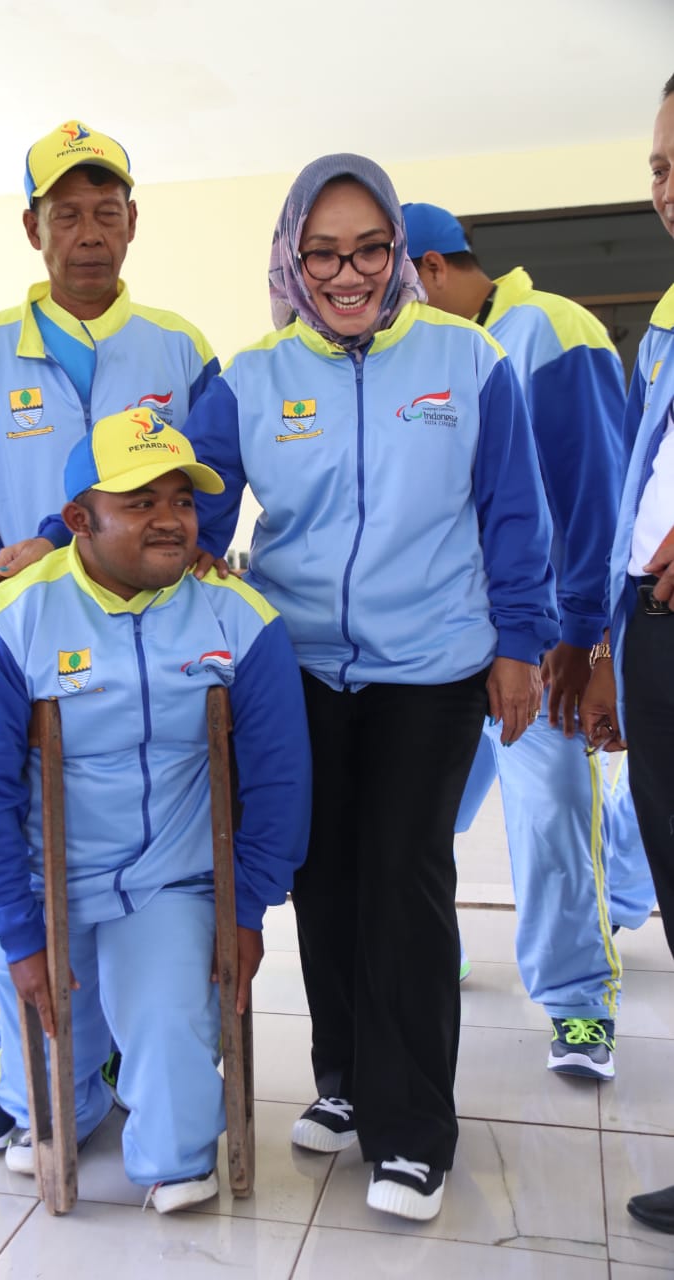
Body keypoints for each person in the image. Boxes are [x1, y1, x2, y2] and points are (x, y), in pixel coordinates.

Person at [181, 154, 559, 1221]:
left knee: (402, 878)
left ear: (400, 252)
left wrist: (519, 640)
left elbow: (512, 510)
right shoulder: (251, 377)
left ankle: (412, 1130)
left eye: (369, 249)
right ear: (292, 256)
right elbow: (186, 510)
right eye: (324, 253)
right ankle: (345, 1077)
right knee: (325, 878)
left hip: (430, 665)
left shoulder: (467, 358)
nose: (347, 273)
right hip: (297, 667)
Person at [0, 407, 311, 1212]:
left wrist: (245, 907)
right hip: (48, 886)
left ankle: (163, 1126)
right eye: (140, 503)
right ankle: (73, 1074)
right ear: (79, 521)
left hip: (169, 881)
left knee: (174, 1074)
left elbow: (280, 778)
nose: (170, 520)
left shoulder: (237, 616)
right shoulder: (9, 620)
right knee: (49, 1109)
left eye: (181, 501)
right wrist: (15, 931)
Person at [0, 120, 219, 1154]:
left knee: (142, 859)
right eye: (66, 214)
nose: (88, 232)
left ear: (133, 222)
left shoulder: (179, 347)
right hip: (25, 652)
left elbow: (209, 484)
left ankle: (142, 1059)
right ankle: (20, 1062)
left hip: (150, 648)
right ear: (32, 229)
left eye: (106, 211)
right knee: (21, 857)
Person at [402, 201, 642, 1079]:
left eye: (392, 283)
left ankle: (578, 1005)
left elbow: (594, 494)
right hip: (446, 642)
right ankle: (439, 950)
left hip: (536, 644)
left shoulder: (548, 328)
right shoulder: (429, 351)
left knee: (550, 819)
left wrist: (583, 637)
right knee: (420, 817)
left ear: (429, 268)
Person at [580, 71, 674, 1233]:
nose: (666, 184)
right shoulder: (664, 318)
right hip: (653, 628)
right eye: (657, 164)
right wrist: (609, 647)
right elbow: (639, 484)